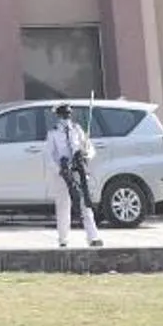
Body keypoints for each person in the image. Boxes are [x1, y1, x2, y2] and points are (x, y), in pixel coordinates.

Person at [45, 102, 103, 248]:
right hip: (63, 173)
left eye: (68, 114)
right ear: (58, 116)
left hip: (78, 171)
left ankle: (93, 237)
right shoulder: (53, 133)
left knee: (85, 203)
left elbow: (89, 148)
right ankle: (63, 239)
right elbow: (49, 156)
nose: (66, 117)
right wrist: (60, 169)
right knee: (64, 205)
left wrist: (86, 155)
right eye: (64, 115)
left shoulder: (77, 130)